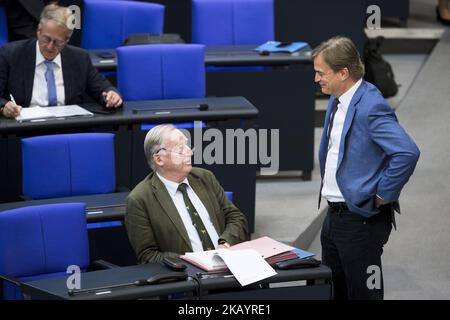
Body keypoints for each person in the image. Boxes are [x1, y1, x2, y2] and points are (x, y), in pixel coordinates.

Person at [314, 36, 420, 300]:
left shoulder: (371, 106)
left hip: (359, 219)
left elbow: (407, 152)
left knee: (363, 294)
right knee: (335, 290)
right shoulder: (337, 97)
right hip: (334, 215)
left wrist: (384, 194)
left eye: (320, 73)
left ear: (343, 73)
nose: (316, 79)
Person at [125, 124, 249, 264]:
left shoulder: (205, 177)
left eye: (187, 145)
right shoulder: (140, 199)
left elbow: (236, 217)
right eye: (180, 149)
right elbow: (148, 256)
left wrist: (226, 244)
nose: (189, 152)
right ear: (159, 159)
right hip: (188, 278)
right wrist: (195, 261)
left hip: (227, 264)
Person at [0, 4, 122, 118]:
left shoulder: (79, 58)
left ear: (67, 39)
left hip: (68, 129)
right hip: (25, 130)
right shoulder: (11, 55)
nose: (50, 47)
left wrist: (111, 94)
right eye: (46, 39)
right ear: (38, 31)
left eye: (57, 42)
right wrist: (4, 106)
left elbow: (102, 88)